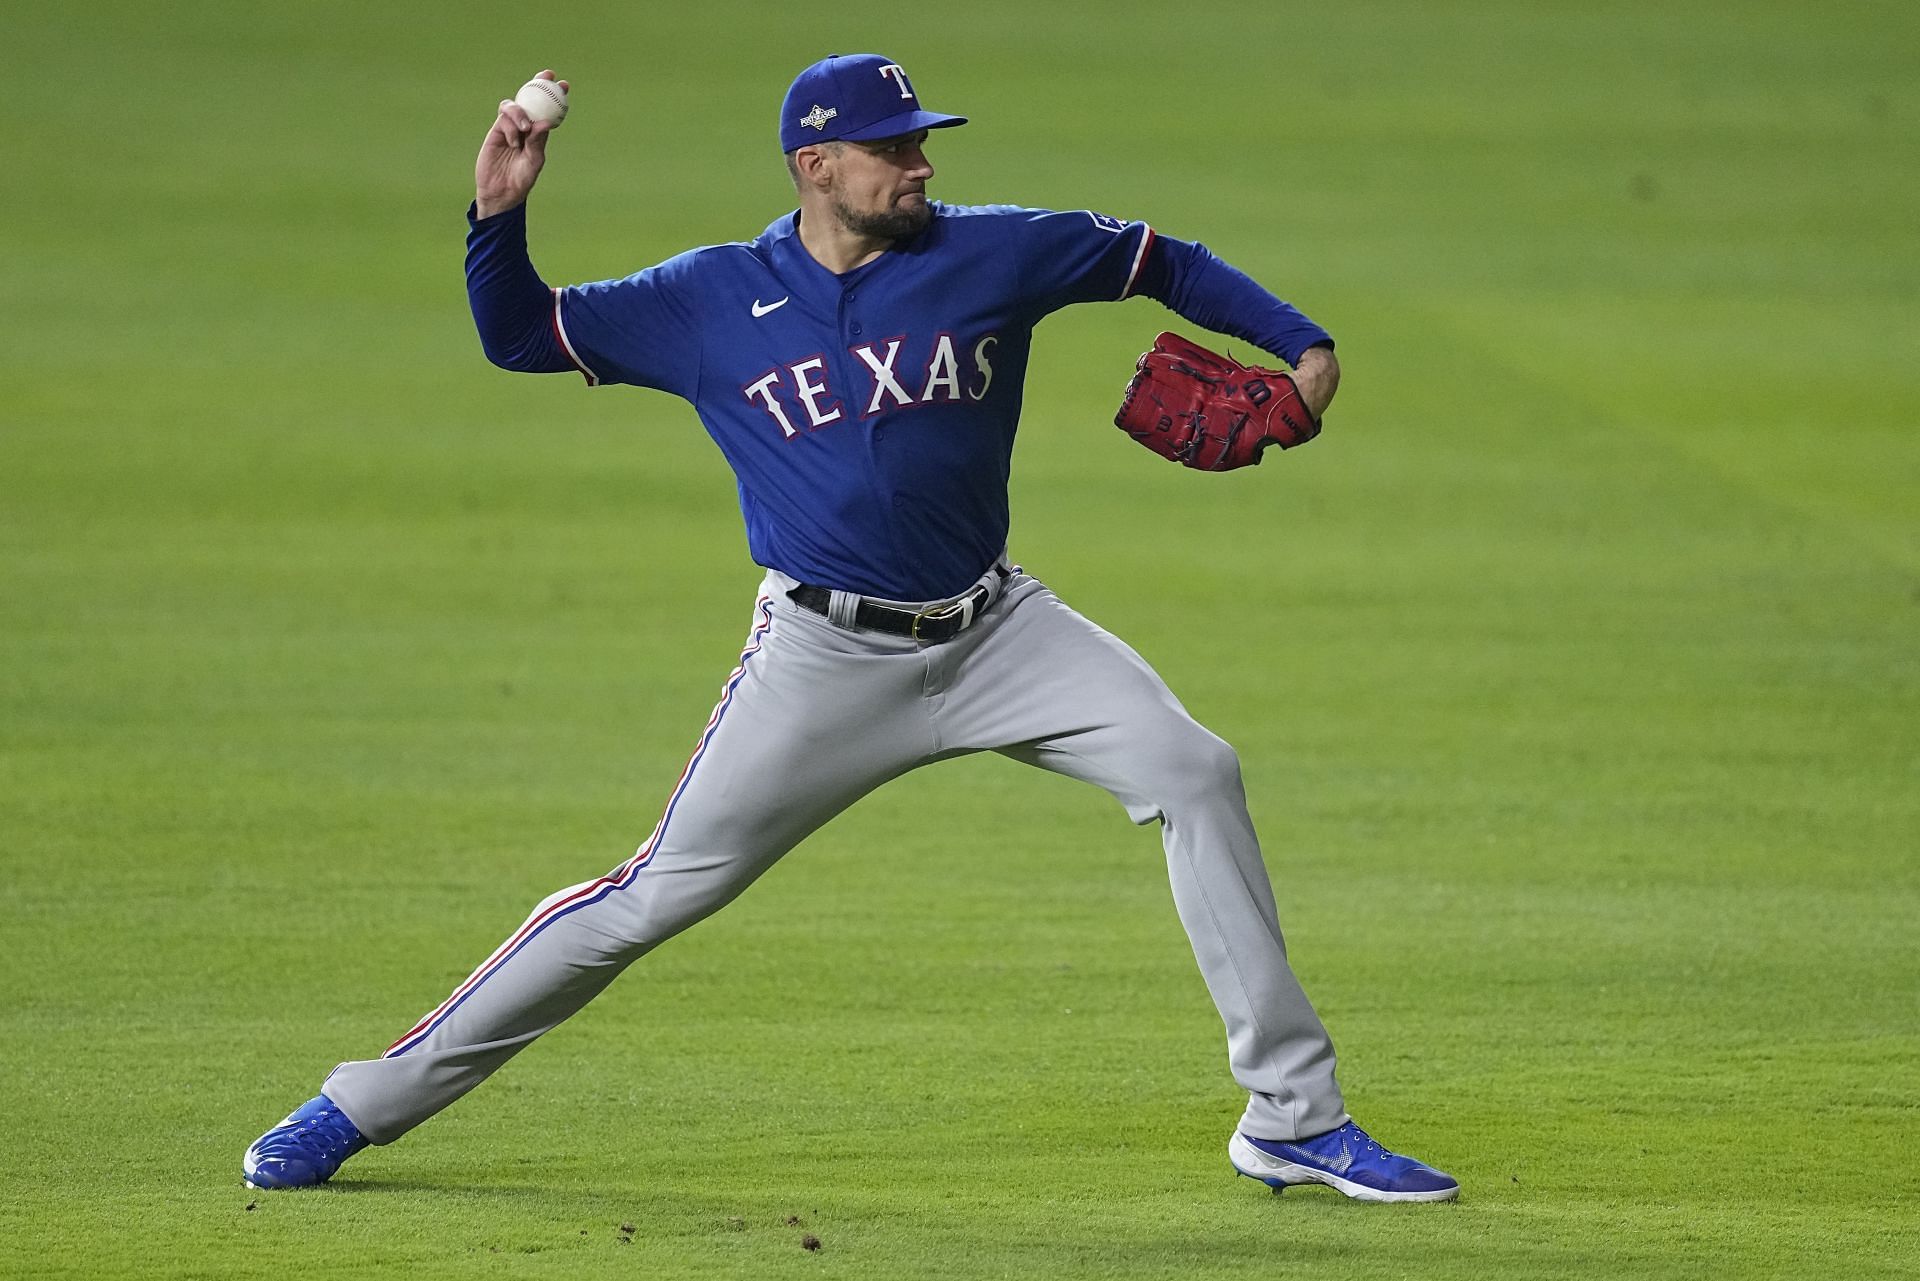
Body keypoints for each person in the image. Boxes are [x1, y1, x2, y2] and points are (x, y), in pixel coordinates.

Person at [242, 55, 1458, 1204]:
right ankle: (361, 1106)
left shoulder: (996, 252)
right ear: (814, 165)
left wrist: (1304, 353)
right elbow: (521, 336)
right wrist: (497, 216)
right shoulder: (707, 299)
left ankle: (1291, 1119)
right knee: (648, 897)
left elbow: (1159, 260)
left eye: (923, 142)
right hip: (823, 661)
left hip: (1002, 633)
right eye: (893, 148)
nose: (920, 165)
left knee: (1196, 771)